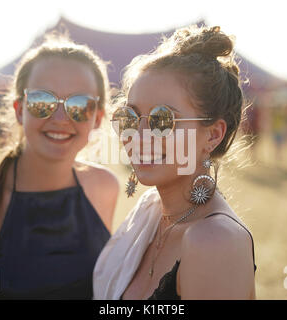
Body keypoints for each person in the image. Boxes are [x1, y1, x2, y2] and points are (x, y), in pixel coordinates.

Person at [0, 32, 119, 299]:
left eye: (79, 105)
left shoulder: (104, 187)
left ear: (98, 117)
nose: (60, 117)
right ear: (19, 109)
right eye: (42, 102)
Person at [94, 25, 256, 300]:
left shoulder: (215, 240)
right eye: (130, 117)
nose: (139, 136)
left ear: (213, 135)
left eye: (162, 119)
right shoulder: (152, 215)